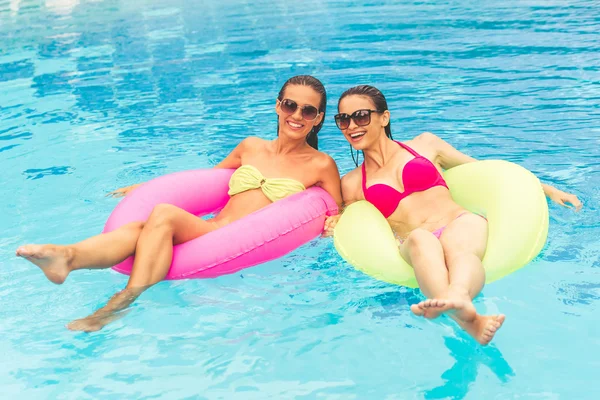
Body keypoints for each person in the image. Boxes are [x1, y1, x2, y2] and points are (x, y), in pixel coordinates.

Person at [16, 75, 343, 332]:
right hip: (212, 228)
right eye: (290, 105)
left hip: (236, 239)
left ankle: (116, 302)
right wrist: (146, 187)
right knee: (142, 225)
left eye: (308, 110)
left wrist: (333, 224)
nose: (297, 116)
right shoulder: (251, 146)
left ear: (319, 118)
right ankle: (69, 258)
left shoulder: (321, 165)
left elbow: (338, 210)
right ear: (277, 106)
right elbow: (204, 183)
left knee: (161, 217)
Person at [324, 85, 582, 345]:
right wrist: (337, 221)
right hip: (412, 242)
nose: (351, 126)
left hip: (457, 222)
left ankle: (459, 298)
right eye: (342, 119)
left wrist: (547, 190)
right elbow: (357, 222)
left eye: (360, 116)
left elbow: (485, 170)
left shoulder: (425, 145)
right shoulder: (352, 183)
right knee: (421, 239)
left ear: (384, 117)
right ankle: (467, 317)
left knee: (464, 244)